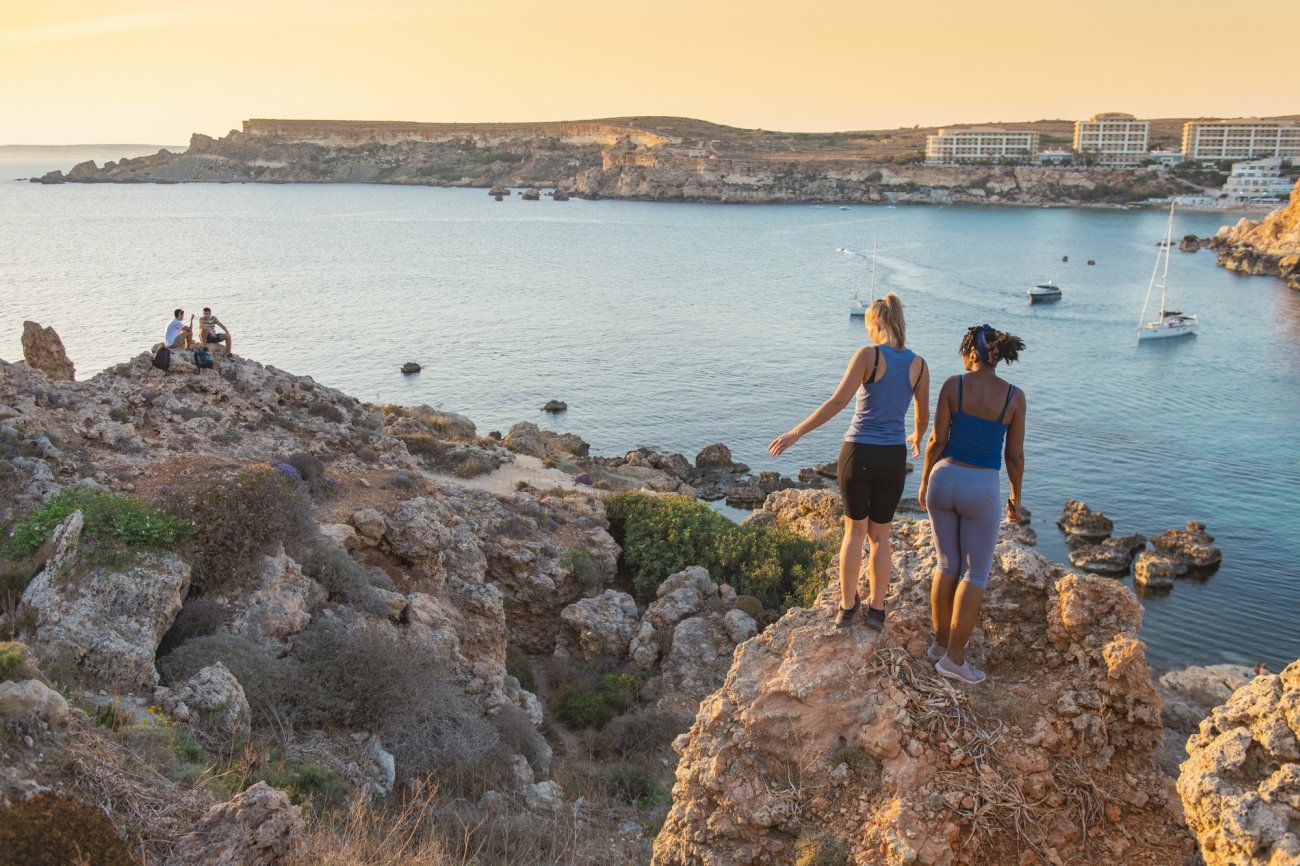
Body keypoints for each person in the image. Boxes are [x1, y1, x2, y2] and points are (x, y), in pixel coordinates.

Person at [769, 293, 929, 630]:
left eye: (870, 326)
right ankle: (877, 610)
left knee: (854, 533)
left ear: (878, 323)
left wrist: (797, 432)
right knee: (880, 537)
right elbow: (922, 415)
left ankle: (846, 607)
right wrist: (916, 436)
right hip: (893, 458)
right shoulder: (920, 366)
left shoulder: (868, 356)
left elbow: (838, 401)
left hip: (858, 453)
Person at [917, 324, 1026, 685]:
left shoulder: (954, 385)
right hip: (980, 486)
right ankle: (955, 660)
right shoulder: (1014, 397)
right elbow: (1014, 456)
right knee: (974, 573)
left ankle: (939, 645)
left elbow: (936, 440)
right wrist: (1016, 497)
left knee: (946, 563)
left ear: (972, 354)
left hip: (943, 480)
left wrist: (923, 481)